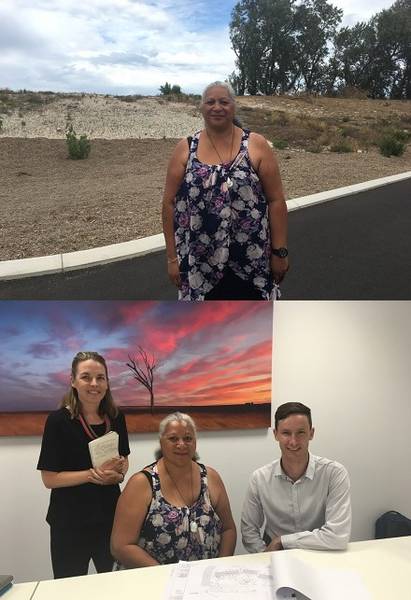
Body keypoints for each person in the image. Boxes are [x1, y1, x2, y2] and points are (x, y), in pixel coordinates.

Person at [162, 81, 288, 301]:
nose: (217, 107)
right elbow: (169, 204)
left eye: (224, 101)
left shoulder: (256, 145)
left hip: (251, 261)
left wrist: (279, 252)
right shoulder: (186, 148)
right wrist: (172, 259)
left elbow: (276, 200)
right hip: (199, 264)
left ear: (233, 106)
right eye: (210, 102)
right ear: (201, 107)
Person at [37, 351, 130, 579]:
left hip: (111, 519)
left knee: (114, 587)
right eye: (86, 377)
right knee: (69, 589)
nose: (94, 384)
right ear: (73, 381)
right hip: (69, 524)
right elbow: (49, 479)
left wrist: (118, 475)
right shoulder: (58, 421)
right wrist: (92, 475)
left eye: (101, 377)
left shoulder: (116, 417)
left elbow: (124, 461)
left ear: (107, 383)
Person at [111, 412, 236, 567]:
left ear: (195, 443)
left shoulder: (210, 477)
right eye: (173, 438)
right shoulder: (142, 483)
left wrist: (219, 568)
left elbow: (228, 529)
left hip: (203, 581)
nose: (181, 444)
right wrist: (169, 577)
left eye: (188, 438)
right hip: (152, 582)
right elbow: (120, 546)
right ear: (161, 442)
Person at [241, 402, 351, 552]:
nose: (293, 441)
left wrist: (283, 541)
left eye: (300, 432)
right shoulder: (259, 478)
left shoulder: (334, 474)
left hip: (319, 551)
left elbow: (338, 537)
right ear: (276, 434)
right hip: (275, 554)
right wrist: (265, 556)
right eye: (286, 433)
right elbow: (248, 532)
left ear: (311, 433)